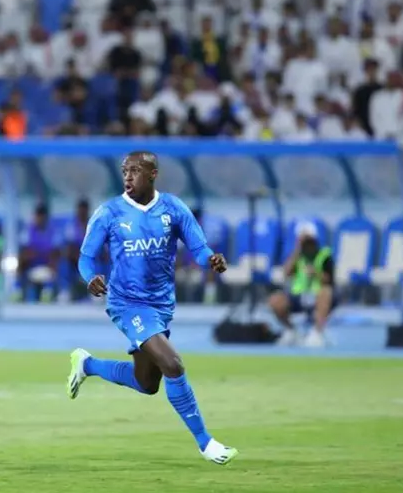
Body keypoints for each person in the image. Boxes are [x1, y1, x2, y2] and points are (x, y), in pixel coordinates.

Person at [65, 151, 238, 466]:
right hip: (126, 302)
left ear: (153, 173)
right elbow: (85, 258)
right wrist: (91, 278)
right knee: (173, 364)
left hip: (161, 305)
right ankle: (206, 443)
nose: (128, 177)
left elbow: (198, 247)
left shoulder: (173, 208)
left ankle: (87, 364)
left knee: (147, 383)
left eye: (135, 171)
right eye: (124, 171)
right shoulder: (109, 212)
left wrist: (210, 260)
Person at [269, 221, 336, 348]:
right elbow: (286, 273)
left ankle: (317, 332)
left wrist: (315, 273)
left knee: (326, 292)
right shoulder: (296, 256)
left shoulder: (325, 255)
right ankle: (291, 330)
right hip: (298, 295)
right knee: (276, 300)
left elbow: (330, 280)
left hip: (317, 294)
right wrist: (297, 251)